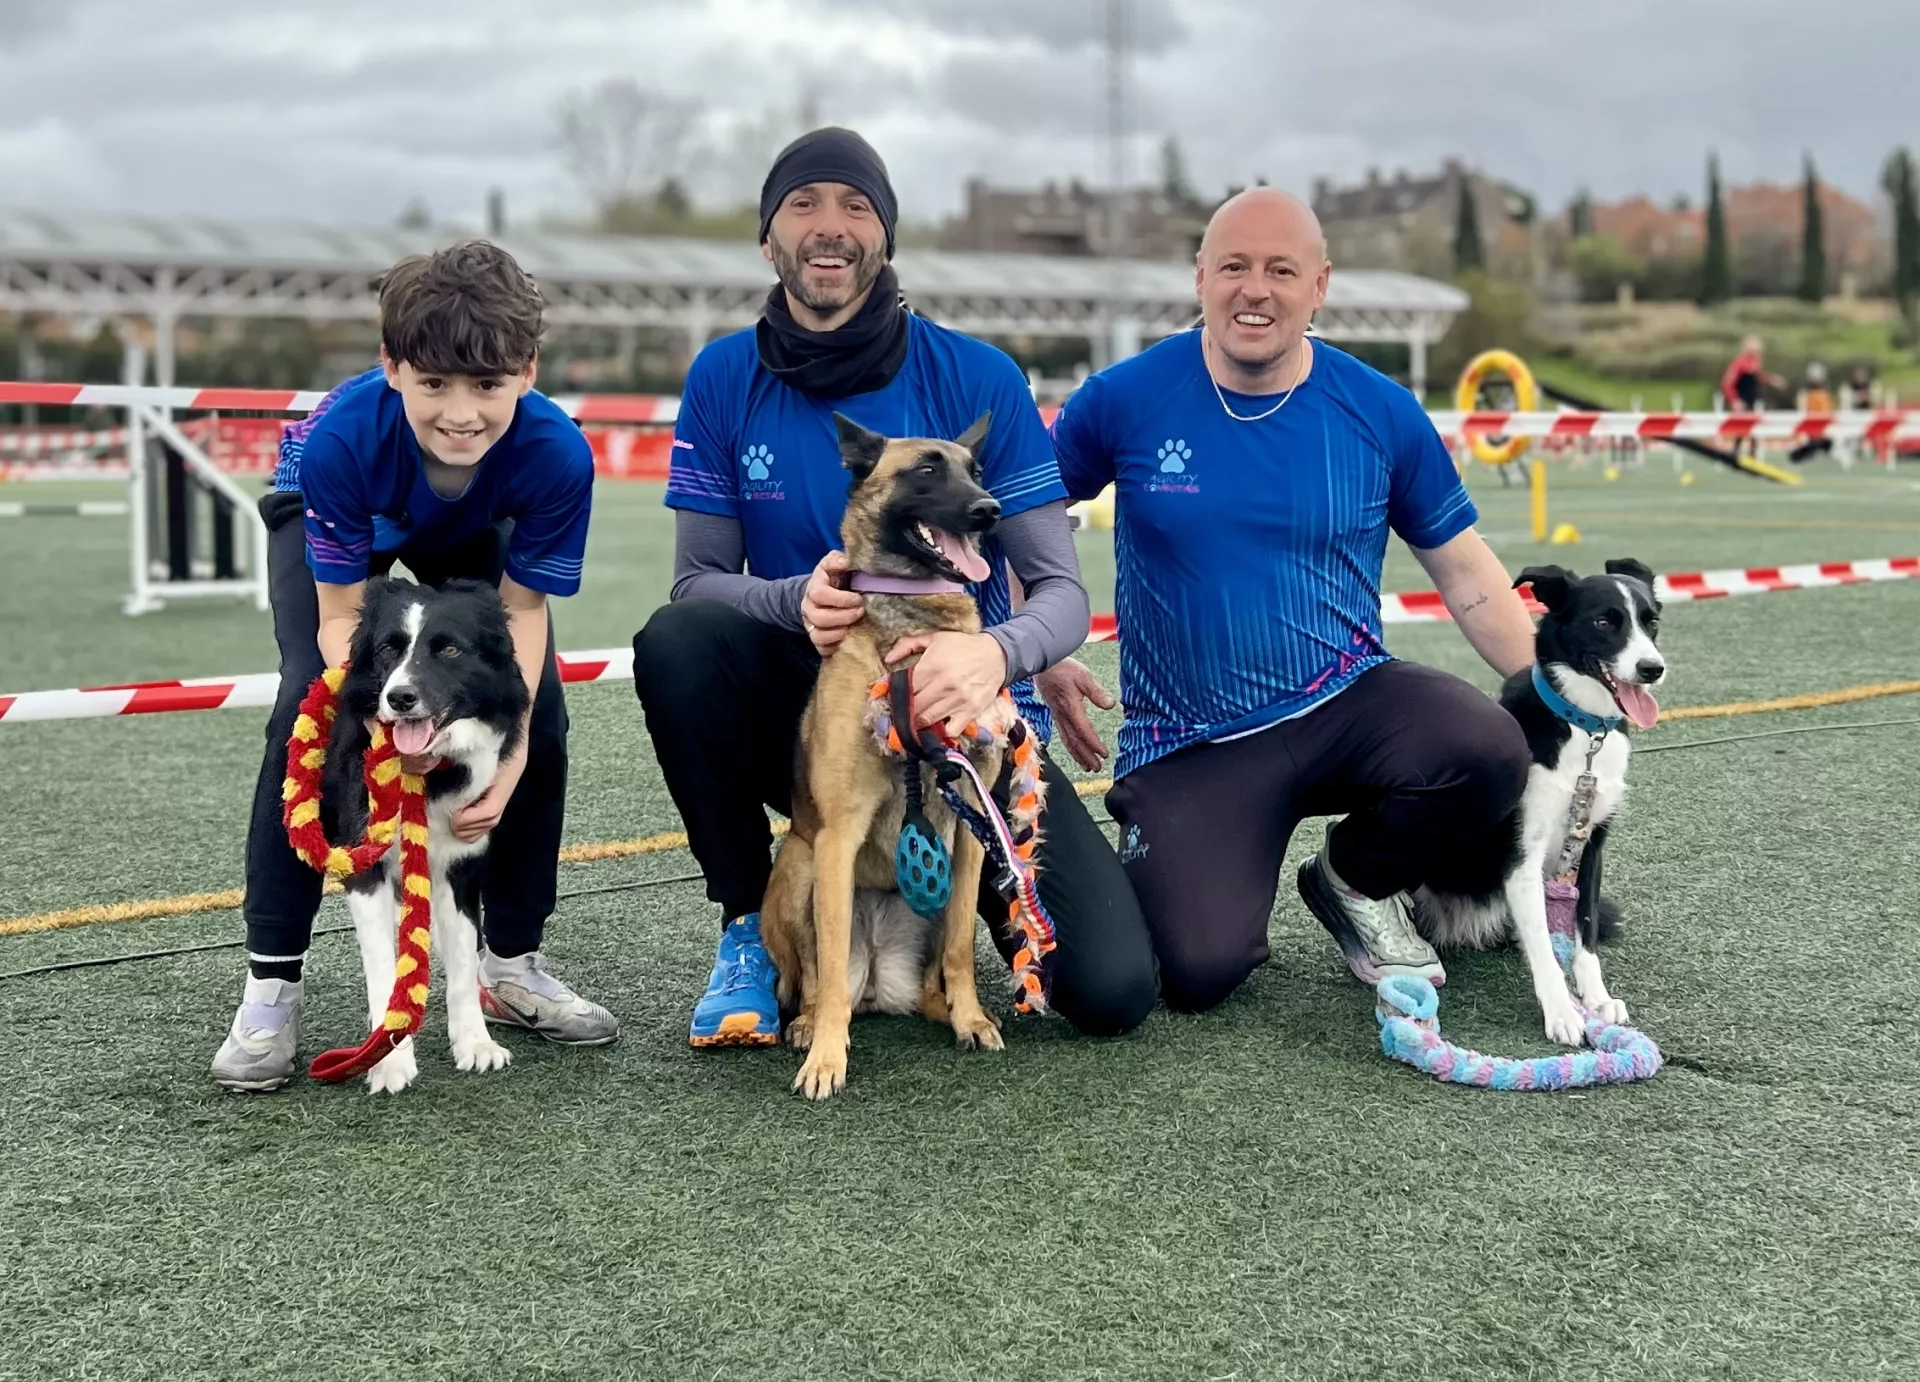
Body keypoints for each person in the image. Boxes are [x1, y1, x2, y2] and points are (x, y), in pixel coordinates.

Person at [631, 126, 1156, 1046]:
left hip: (961, 718)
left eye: (856, 206)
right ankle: (747, 927)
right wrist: (789, 599)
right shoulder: (723, 376)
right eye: (804, 205)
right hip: (806, 704)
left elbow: (1061, 596)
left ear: (885, 238)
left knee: (1111, 987)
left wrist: (997, 651)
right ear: (769, 239)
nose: (830, 227)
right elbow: (695, 586)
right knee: (675, 647)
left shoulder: (977, 372)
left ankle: (953, 942)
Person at [1032, 188, 1535, 1012]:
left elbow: (1468, 573)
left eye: (1280, 270)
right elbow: (1027, 519)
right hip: (1192, 741)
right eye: (1234, 267)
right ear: (1200, 278)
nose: (1254, 290)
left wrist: (1551, 694)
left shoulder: (1378, 408)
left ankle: (1355, 881)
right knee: (1192, 971)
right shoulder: (1123, 399)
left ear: (1319, 286)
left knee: (1488, 747)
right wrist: (1044, 649)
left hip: (1347, 703)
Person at [210, 240, 618, 1090]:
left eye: (488, 386)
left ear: (528, 372)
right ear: (391, 366)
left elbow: (525, 614)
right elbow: (338, 617)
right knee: (308, 706)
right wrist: (382, 722)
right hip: (343, 521)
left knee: (535, 711)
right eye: (434, 383)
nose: (461, 411)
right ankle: (271, 985)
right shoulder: (343, 441)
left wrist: (510, 756)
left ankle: (509, 963)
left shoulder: (554, 454)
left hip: (475, 525)